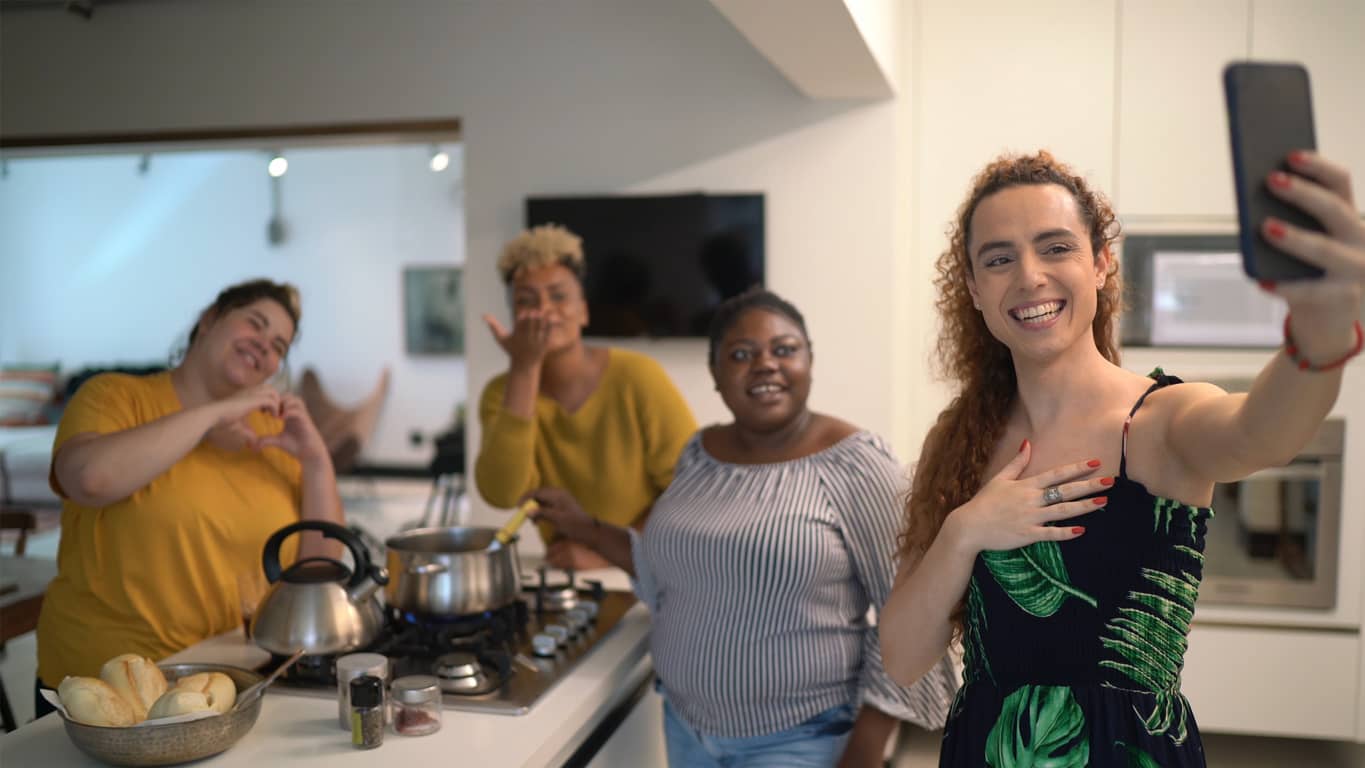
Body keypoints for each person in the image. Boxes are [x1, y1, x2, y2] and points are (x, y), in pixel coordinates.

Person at [880, 150, 1363, 767]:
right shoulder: (959, 437)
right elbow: (902, 658)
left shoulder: (1160, 421)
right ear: (974, 288)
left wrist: (1319, 335)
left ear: (1102, 262)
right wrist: (965, 530)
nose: (1028, 276)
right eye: (999, 259)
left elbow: (1258, 434)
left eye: (1055, 247)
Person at [530, 288, 957, 767]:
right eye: (740, 354)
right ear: (715, 375)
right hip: (687, 729)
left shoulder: (856, 463)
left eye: (784, 349)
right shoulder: (700, 453)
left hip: (802, 741)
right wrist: (584, 526)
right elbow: (670, 573)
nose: (765, 364)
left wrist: (863, 754)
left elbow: (908, 613)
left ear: (809, 361)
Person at [35, 279, 345, 711]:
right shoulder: (116, 397)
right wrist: (214, 413)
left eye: (278, 345)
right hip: (107, 691)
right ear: (209, 319)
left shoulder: (273, 436)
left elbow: (320, 571)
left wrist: (315, 460)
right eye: (255, 324)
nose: (264, 346)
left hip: (222, 685)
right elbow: (89, 478)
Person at [474, 223, 696, 570]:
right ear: (515, 316)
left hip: (652, 570)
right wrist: (524, 368)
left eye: (559, 296)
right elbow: (501, 493)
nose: (545, 309)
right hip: (569, 574)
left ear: (584, 310)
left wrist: (606, 551)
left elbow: (692, 490)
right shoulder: (502, 392)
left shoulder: (638, 378)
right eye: (526, 300)